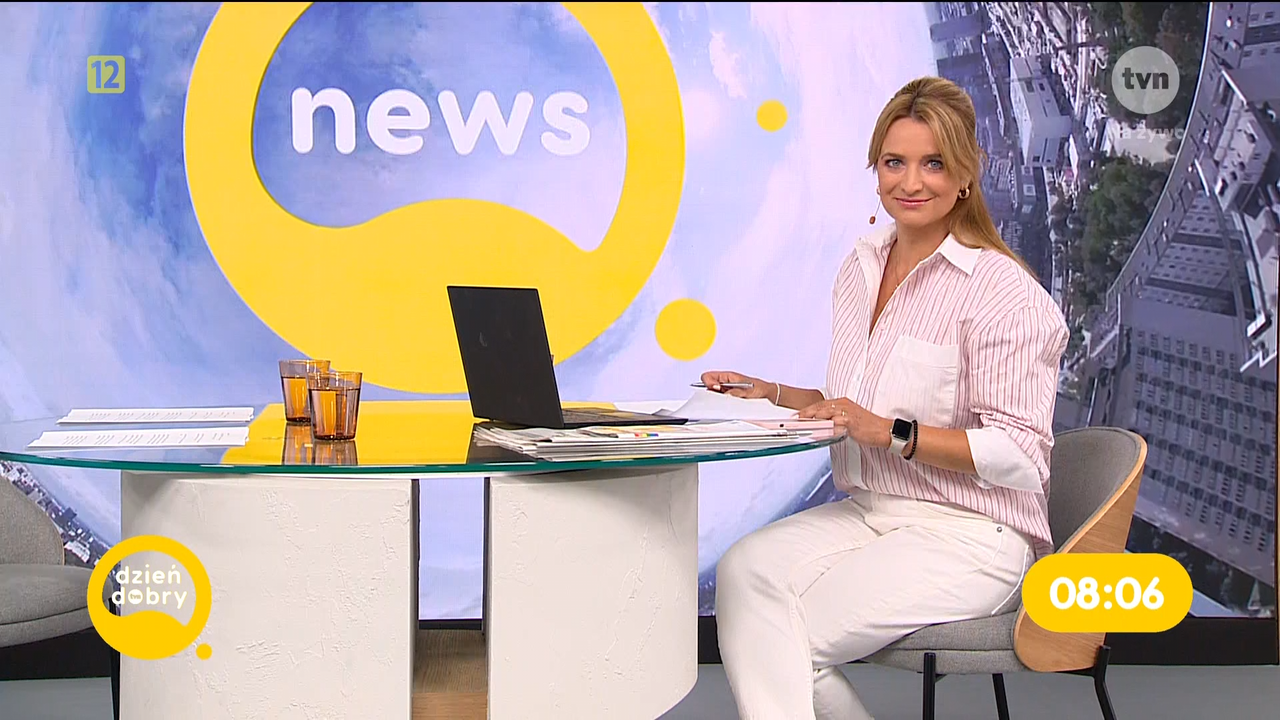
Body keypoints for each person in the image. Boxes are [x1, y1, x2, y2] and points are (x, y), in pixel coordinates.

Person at [700, 76, 1069, 720]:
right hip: (870, 510)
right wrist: (774, 393)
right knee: (744, 572)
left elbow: (1021, 456)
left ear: (965, 176)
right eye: (895, 162)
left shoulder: (1005, 294)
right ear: (876, 171)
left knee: (784, 637)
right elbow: (856, 405)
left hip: (970, 535)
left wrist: (895, 433)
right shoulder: (861, 266)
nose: (911, 182)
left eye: (934, 164)